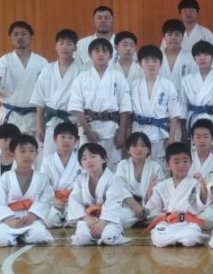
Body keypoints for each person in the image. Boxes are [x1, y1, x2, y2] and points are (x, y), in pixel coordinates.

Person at [68, 38, 132, 171]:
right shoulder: (82, 78)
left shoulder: (118, 77)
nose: (100, 54)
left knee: (113, 167)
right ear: (90, 55)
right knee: (88, 167)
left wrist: (122, 131)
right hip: (89, 128)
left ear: (111, 55)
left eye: (104, 51)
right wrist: (87, 130)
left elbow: (125, 107)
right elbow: (76, 107)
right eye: (96, 51)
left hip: (112, 129)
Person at [0, 21, 48, 136]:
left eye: (23, 33)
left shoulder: (42, 62)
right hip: (10, 116)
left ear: (31, 37)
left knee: (33, 147)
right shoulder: (4, 62)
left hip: (34, 117)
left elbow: (48, 92)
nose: (19, 37)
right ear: (10, 38)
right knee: (8, 147)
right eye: (16, 34)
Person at [0, 135, 54, 247]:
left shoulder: (42, 179)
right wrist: (9, 220)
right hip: (9, 218)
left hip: (31, 218)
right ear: (13, 155)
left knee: (39, 235)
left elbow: (46, 200)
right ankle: (16, 236)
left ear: (37, 154)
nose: (27, 155)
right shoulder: (6, 178)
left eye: (31, 151)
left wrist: (33, 215)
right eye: (22, 151)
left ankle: (23, 236)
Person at [143, 143, 210, 247]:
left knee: (190, 237)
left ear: (191, 163)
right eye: (176, 162)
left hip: (188, 223)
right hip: (168, 223)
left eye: (185, 161)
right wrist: (150, 188)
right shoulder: (162, 185)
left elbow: (201, 204)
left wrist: (203, 185)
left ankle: (177, 238)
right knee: (158, 239)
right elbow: (152, 205)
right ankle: (179, 238)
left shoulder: (194, 183)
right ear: (168, 165)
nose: (181, 165)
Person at [31, 28, 82, 159]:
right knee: (49, 159)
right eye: (61, 43)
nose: (65, 47)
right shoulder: (47, 69)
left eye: (69, 44)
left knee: (74, 160)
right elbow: (39, 100)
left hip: (74, 121)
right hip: (52, 122)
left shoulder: (82, 70)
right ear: (56, 46)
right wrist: (39, 126)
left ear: (75, 48)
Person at [68, 143, 132, 245]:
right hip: (88, 219)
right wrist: (85, 217)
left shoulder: (112, 179)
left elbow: (113, 203)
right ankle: (95, 236)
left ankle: (109, 234)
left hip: (109, 219)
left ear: (104, 159)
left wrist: (102, 223)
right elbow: (75, 201)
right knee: (82, 238)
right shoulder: (80, 180)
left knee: (109, 237)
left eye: (93, 156)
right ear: (81, 164)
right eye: (84, 158)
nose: (89, 160)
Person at [131, 45, 181, 165]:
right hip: (138, 132)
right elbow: (129, 114)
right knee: (139, 165)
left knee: (159, 167)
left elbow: (174, 114)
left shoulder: (167, 85)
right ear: (140, 64)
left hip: (160, 134)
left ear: (160, 63)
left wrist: (172, 136)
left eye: (154, 60)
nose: (151, 64)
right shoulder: (134, 85)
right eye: (146, 61)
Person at [180, 41, 213, 148]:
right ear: (194, 58)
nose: (202, 58)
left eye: (206, 54)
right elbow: (182, 107)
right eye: (198, 55)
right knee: (194, 152)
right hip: (193, 120)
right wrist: (183, 131)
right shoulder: (186, 80)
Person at [116, 132, 165, 228]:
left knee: (161, 216)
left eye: (143, 145)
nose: (139, 149)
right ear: (128, 150)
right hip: (129, 206)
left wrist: (150, 192)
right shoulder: (123, 165)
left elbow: (161, 191)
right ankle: (143, 221)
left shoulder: (155, 167)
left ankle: (141, 220)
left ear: (148, 150)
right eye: (134, 145)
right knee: (121, 218)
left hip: (150, 207)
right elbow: (120, 188)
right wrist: (136, 207)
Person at [40, 122, 82, 228]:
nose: (66, 140)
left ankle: (68, 218)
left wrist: (73, 199)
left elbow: (85, 183)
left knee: (76, 220)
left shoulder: (81, 160)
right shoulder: (47, 161)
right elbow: (43, 186)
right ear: (55, 139)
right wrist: (53, 200)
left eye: (70, 137)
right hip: (54, 201)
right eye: (62, 137)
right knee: (49, 220)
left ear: (75, 141)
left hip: (74, 200)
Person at [188, 119, 213, 231]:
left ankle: (190, 223)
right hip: (188, 200)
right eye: (198, 137)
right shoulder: (185, 160)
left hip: (209, 204)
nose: (202, 140)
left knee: (206, 220)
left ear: (212, 138)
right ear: (192, 139)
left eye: (206, 137)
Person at [159, 19, 198, 92]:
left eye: (177, 34)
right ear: (164, 37)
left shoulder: (190, 58)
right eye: (169, 34)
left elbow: (194, 82)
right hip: (160, 97)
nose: (173, 38)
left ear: (182, 37)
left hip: (184, 98)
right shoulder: (156, 57)